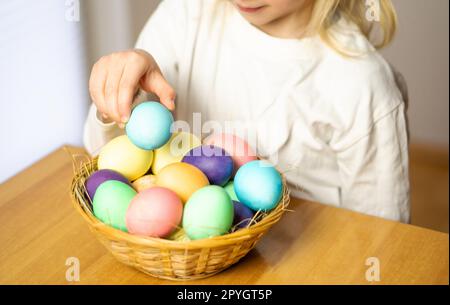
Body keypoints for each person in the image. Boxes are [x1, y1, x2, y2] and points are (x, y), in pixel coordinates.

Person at [84, 0, 410, 222]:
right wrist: (123, 96)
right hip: (183, 260)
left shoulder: (362, 84)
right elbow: (107, 159)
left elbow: (382, 236)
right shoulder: (188, 13)